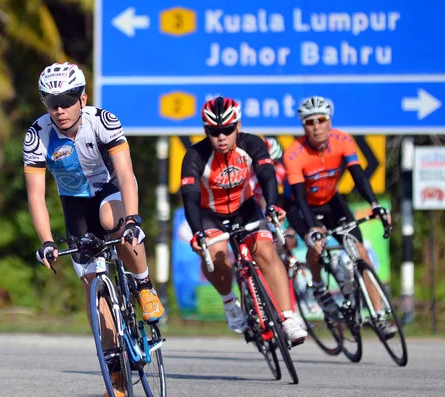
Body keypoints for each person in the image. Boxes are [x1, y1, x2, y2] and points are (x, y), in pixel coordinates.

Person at [23, 62, 164, 397]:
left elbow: (127, 174)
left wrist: (131, 219)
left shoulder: (103, 121)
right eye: (51, 101)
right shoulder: (37, 136)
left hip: (108, 190)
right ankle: (115, 375)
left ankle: (144, 286)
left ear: (82, 98)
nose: (59, 109)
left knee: (111, 222)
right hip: (74, 204)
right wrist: (45, 240)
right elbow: (36, 196)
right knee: (93, 290)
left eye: (67, 99)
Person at [180, 96, 308, 344]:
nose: (221, 136)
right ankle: (229, 302)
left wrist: (271, 205)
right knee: (215, 253)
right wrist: (198, 232)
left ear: (238, 126)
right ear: (206, 130)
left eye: (227, 129)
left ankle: (288, 318)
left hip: (244, 207)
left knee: (266, 252)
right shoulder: (195, 156)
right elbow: (190, 199)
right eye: (214, 131)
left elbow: (267, 177)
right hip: (210, 214)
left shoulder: (252, 143)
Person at [283, 96, 396, 336]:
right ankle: (319, 286)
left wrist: (375, 204)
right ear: (303, 126)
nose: (316, 126)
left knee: (360, 253)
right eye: (310, 122)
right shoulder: (294, 154)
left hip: (332, 201)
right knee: (315, 245)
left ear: (329, 121)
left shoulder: (343, 140)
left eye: (321, 120)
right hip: (302, 206)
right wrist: (312, 228)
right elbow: (300, 198)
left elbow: (359, 176)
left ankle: (378, 316)